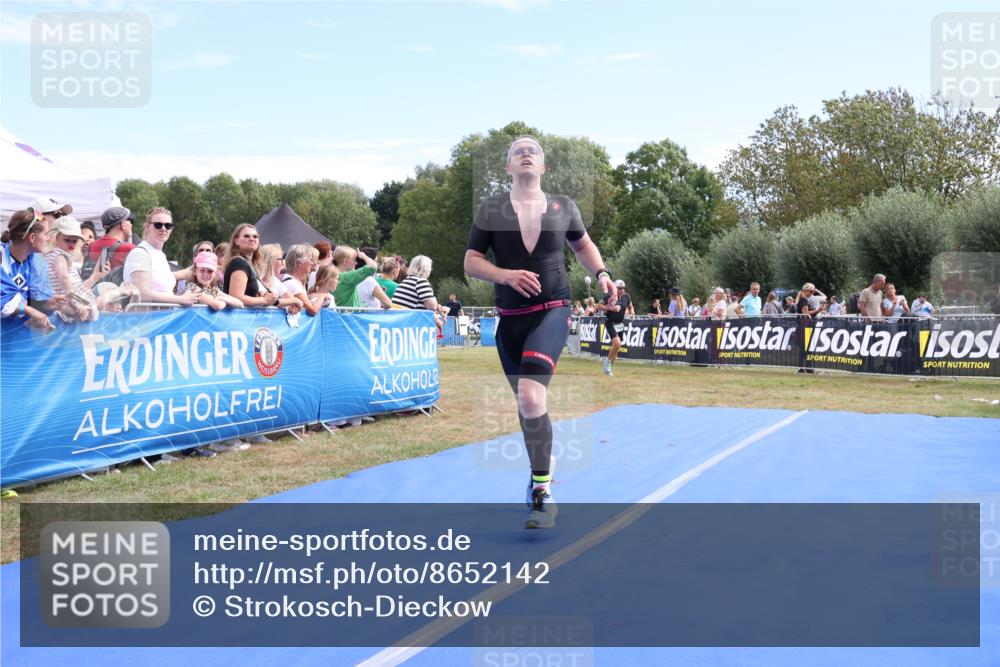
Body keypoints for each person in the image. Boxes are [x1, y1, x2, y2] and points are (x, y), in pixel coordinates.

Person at [464, 136, 615, 529]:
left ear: (543, 167)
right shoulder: (492, 208)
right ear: (509, 167)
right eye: (518, 151)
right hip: (510, 319)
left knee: (532, 395)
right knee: (528, 405)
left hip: (552, 310)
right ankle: (538, 474)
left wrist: (601, 274)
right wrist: (506, 275)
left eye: (533, 151)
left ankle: (543, 492)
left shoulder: (563, 206)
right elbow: (471, 262)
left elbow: (583, 247)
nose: (526, 153)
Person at [123, 207, 199, 306]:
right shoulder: (140, 253)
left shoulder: (160, 255)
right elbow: (141, 293)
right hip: (146, 319)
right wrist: (181, 299)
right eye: (158, 225)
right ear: (147, 227)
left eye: (168, 225)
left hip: (162, 317)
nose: (163, 228)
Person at [1, 209, 59, 329]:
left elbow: (29, 301)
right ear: (32, 237)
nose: (48, 239)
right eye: (45, 234)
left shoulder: (34, 262)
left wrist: (48, 304)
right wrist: (27, 310)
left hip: (14, 339)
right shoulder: (2, 259)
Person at [44, 215, 109, 321]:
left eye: (74, 241)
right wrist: (74, 303)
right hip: (68, 299)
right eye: (67, 240)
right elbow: (64, 278)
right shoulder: (60, 255)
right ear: (55, 237)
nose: (71, 244)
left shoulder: (50, 255)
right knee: (93, 306)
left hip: (61, 299)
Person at [223, 224, 278, 308]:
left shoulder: (248, 264)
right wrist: (264, 300)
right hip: (238, 318)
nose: (252, 239)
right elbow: (236, 297)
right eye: (246, 236)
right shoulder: (239, 263)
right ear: (236, 241)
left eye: (255, 236)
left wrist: (262, 296)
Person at [597, 279, 630, 376]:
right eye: (620, 288)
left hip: (620, 324)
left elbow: (630, 306)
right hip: (610, 322)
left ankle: (608, 367)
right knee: (617, 343)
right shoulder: (609, 296)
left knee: (616, 348)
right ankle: (606, 362)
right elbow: (598, 305)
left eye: (624, 288)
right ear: (615, 288)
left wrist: (631, 313)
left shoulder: (626, 297)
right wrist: (610, 308)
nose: (622, 290)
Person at [88, 206, 136, 270]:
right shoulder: (130, 248)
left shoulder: (90, 246)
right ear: (123, 224)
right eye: (131, 221)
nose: (131, 225)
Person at [281, 244, 324, 315]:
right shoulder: (292, 283)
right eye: (310, 260)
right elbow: (312, 310)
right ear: (299, 263)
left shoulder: (296, 281)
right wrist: (323, 294)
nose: (312, 263)